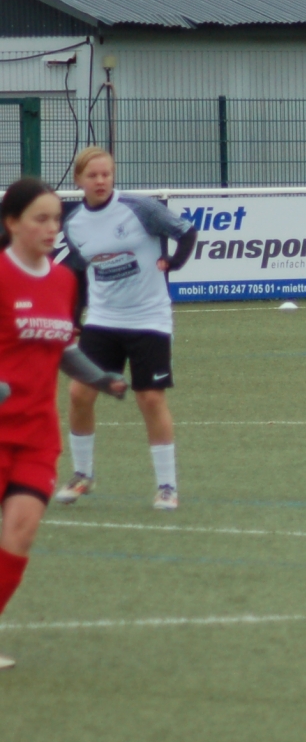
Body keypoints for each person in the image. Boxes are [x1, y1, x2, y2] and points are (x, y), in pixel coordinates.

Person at [0, 178, 128, 666]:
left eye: (57, 218)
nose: (52, 228)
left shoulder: (64, 281)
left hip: (35, 435)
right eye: (41, 219)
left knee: (21, 532)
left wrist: (102, 379)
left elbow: (64, 348)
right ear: (12, 222)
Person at [53, 146, 196, 511]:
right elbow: (81, 271)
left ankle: (167, 486)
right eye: (93, 175)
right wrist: (75, 317)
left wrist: (174, 262)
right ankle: (82, 475)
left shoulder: (140, 208)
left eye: (106, 174)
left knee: (150, 398)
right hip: (103, 319)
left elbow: (186, 232)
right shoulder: (74, 223)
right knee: (79, 393)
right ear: (79, 180)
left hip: (149, 318)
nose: (101, 181)